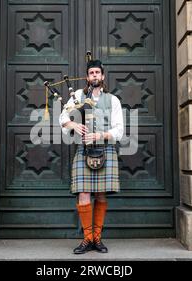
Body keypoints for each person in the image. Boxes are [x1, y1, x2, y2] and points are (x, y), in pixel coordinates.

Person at [59, 60, 124, 254]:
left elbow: (119, 130)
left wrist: (101, 135)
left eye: (98, 72)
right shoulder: (77, 96)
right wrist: (73, 125)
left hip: (106, 150)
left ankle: (97, 238)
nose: (94, 75)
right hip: (83, 150)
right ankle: (87, 239)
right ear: (87, 77)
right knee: (84, 194)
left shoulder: (113, 100)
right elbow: (63, 117)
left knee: (101, 194)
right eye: (91, 73)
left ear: (102, 76)